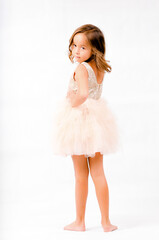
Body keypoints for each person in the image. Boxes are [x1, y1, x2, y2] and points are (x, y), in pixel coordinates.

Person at [52, 24, 120, 232]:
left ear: (94, 50)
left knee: (81, 174)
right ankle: (106, 222)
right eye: (74, 45)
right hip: (97, 123)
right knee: (98, 173)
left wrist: (71, 101)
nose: (76, 51)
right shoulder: (98, 68)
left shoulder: (81, 69)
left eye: (83, 47)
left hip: (79, 123)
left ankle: (80, 221)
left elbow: (82, 95)